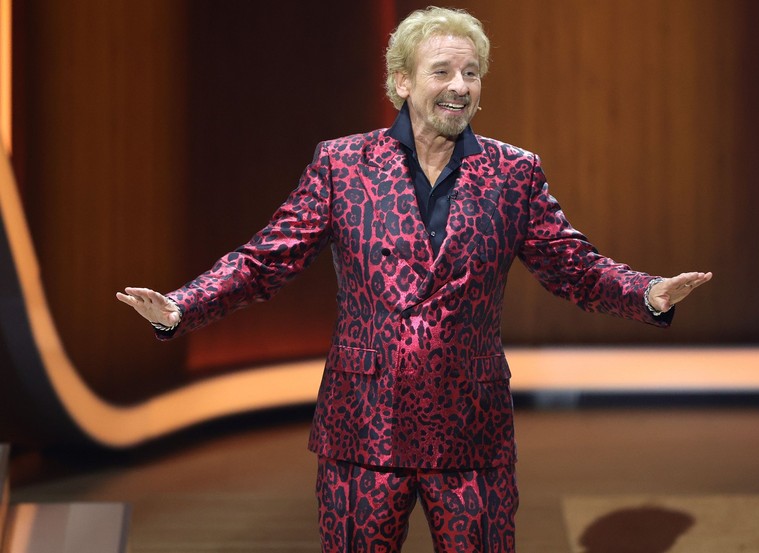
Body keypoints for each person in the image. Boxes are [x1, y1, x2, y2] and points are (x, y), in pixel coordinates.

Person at [117, 6, 712, 552]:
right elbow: (266, 259)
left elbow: (572, 265)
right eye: (443, 71)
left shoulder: (512, 173)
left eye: (472, 73)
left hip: (470, 429)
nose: (460, 86)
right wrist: (181, 308)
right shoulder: (342, 165)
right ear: (402, 82)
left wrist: (645, 293)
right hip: (364, 425)